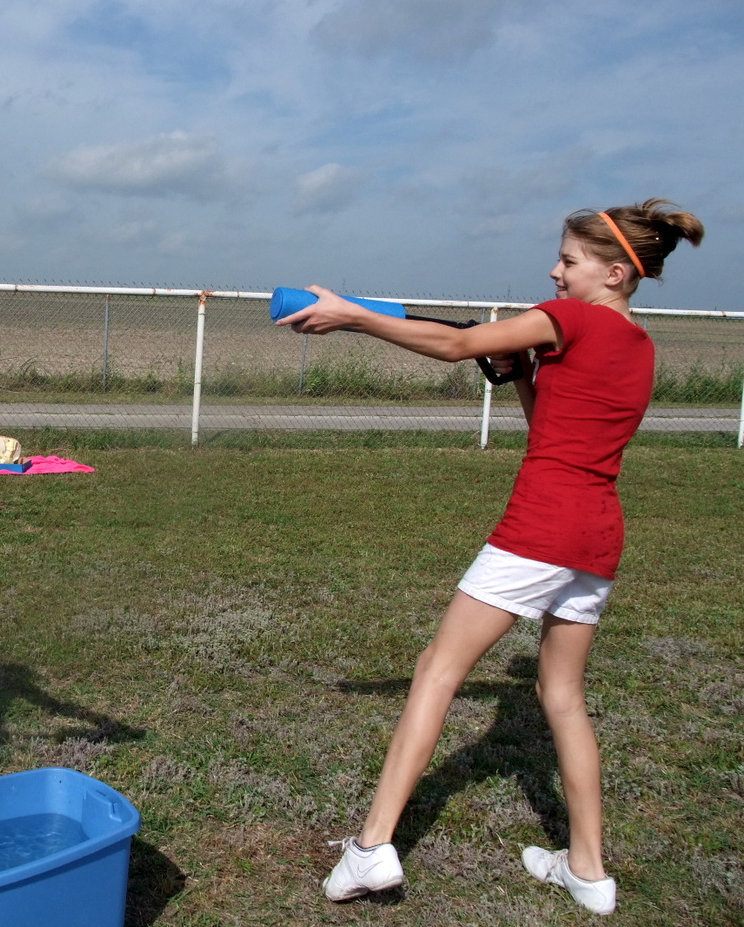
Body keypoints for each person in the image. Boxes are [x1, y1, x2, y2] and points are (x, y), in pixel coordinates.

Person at [279, 199, 704, 916]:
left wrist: (350, 314)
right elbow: (553, 428)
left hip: (542, 525)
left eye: (567, 261)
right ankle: (589, 870)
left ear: (612, 271)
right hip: (597, 534)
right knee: (561, 696)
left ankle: (372, 845)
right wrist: (518, 373)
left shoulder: (566, 316)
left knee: (438, 670)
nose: (554, 270)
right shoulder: (640, 345)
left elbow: (452, 346)